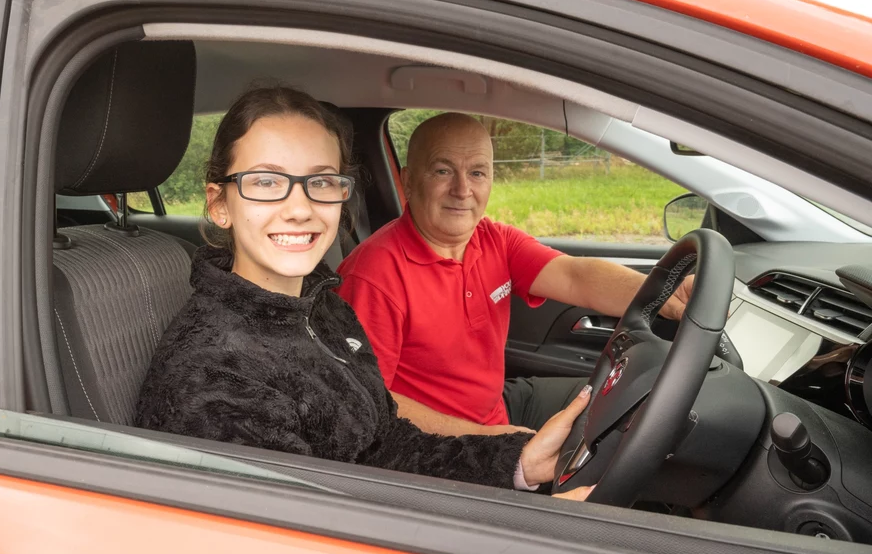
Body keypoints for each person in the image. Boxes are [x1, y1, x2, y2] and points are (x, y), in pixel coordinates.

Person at [135, 86, 593, 499]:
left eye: (320, 182)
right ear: (220, 205)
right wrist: (524, 525)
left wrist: (518, 462)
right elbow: (299, 543)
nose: (299, 209)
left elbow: (382, 443)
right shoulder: (216, 377)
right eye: (267, 182)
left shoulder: (322, 309)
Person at [337, 113, 692, 437]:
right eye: (443, 170)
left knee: (633, 399)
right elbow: (369, 400)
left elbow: (574, 276)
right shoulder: (374, 277)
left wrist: (667, 294)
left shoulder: (495, 239)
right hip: (438, 445)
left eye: (477, 172)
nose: (463, 190)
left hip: (495, 410)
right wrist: (496, 441)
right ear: (409, 182)